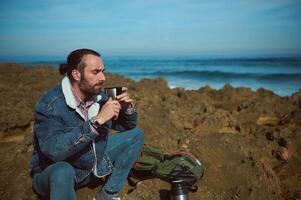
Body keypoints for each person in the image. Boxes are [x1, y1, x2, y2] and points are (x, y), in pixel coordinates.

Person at [30, 48, 144, 200]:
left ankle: (109, 194)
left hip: (91, 165)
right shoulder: (49, 105)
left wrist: (127, 109)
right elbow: (54, 152)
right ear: (76, 74)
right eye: (96, 72)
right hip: (57, 175)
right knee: (62, 170)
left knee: (136, 135)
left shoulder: (98, 96)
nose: (103, 77)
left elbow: (127, 127)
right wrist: (97, 121)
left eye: (103, 71)